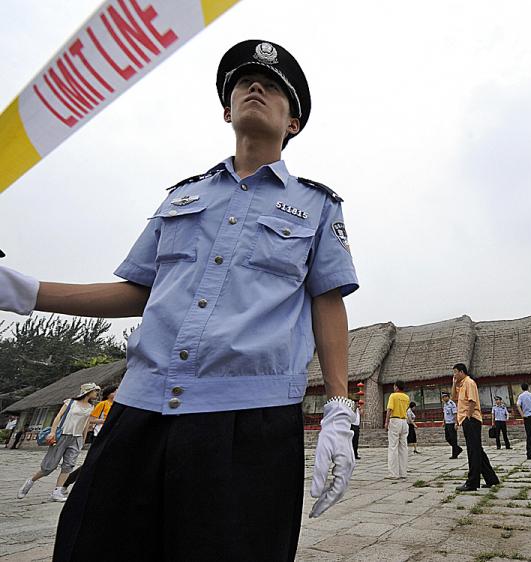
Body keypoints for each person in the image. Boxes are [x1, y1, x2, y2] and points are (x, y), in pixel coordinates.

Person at [0, 40, 359, 561]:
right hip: (139, 409)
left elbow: (328, 301)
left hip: (248, 419)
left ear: (294, 122)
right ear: (225, 110)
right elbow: (137, 292)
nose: (254, 86)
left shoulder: (318, 206)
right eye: (242, 82)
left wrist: (339, 409)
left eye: (273, 85)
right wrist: (21, 290)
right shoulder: (180, 198)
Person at [17, 383, 100, 503]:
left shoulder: (91, 407)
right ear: (88, 391)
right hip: (62, 436)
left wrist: (83, 439)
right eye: (95, 391)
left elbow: (86, 424)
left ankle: (57, 492)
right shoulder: (70, 402)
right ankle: (31, 481)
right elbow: (58, 417)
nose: (96, 393)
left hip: (76, 438)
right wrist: (52, 432)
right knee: (49, 467)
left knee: (69, 465)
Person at [62, 385, 119, 492]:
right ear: (109, 394)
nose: (117, 393)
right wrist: (105, 421)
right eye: (115, 391)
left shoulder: (116, 406)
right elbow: (91, 419)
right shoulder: (103, 404)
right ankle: (67, 482)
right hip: (99, 435)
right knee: (92, 461)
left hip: (111, 436)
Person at [452, 364, 499, 491]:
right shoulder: (461, 385)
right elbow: (453, 398)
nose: (454, 375)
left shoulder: (469, 383)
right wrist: (454, 383)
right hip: (466, 420)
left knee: (473, 451)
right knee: (477, 450)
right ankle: (491, 479)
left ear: (462, 372)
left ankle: (472, 482)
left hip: (471, 419)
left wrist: (468, 416)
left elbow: (472, 401)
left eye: (455, 373)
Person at [385, 381, 410, 478]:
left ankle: (393, 473)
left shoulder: (393, 396)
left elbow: (389, 409)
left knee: (393, 447)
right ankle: (403, 472)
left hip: (395, 420)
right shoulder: (406, 397)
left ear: (396, 387)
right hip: (404, 421)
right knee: (403, 447)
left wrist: (386, 422)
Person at [441, 392, 463, 459]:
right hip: (447, 423)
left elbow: (455, 414)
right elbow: (445, 414)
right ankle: (458, 449)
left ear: (448, 397)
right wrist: (444, 421)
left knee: (453, 439)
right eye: (443, 397)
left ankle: (454, 454)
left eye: (445, 397)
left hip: (452, 423)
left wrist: (456, 423)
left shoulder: (452, 404)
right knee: (447, 438)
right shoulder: (445, 404)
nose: (444, 398)